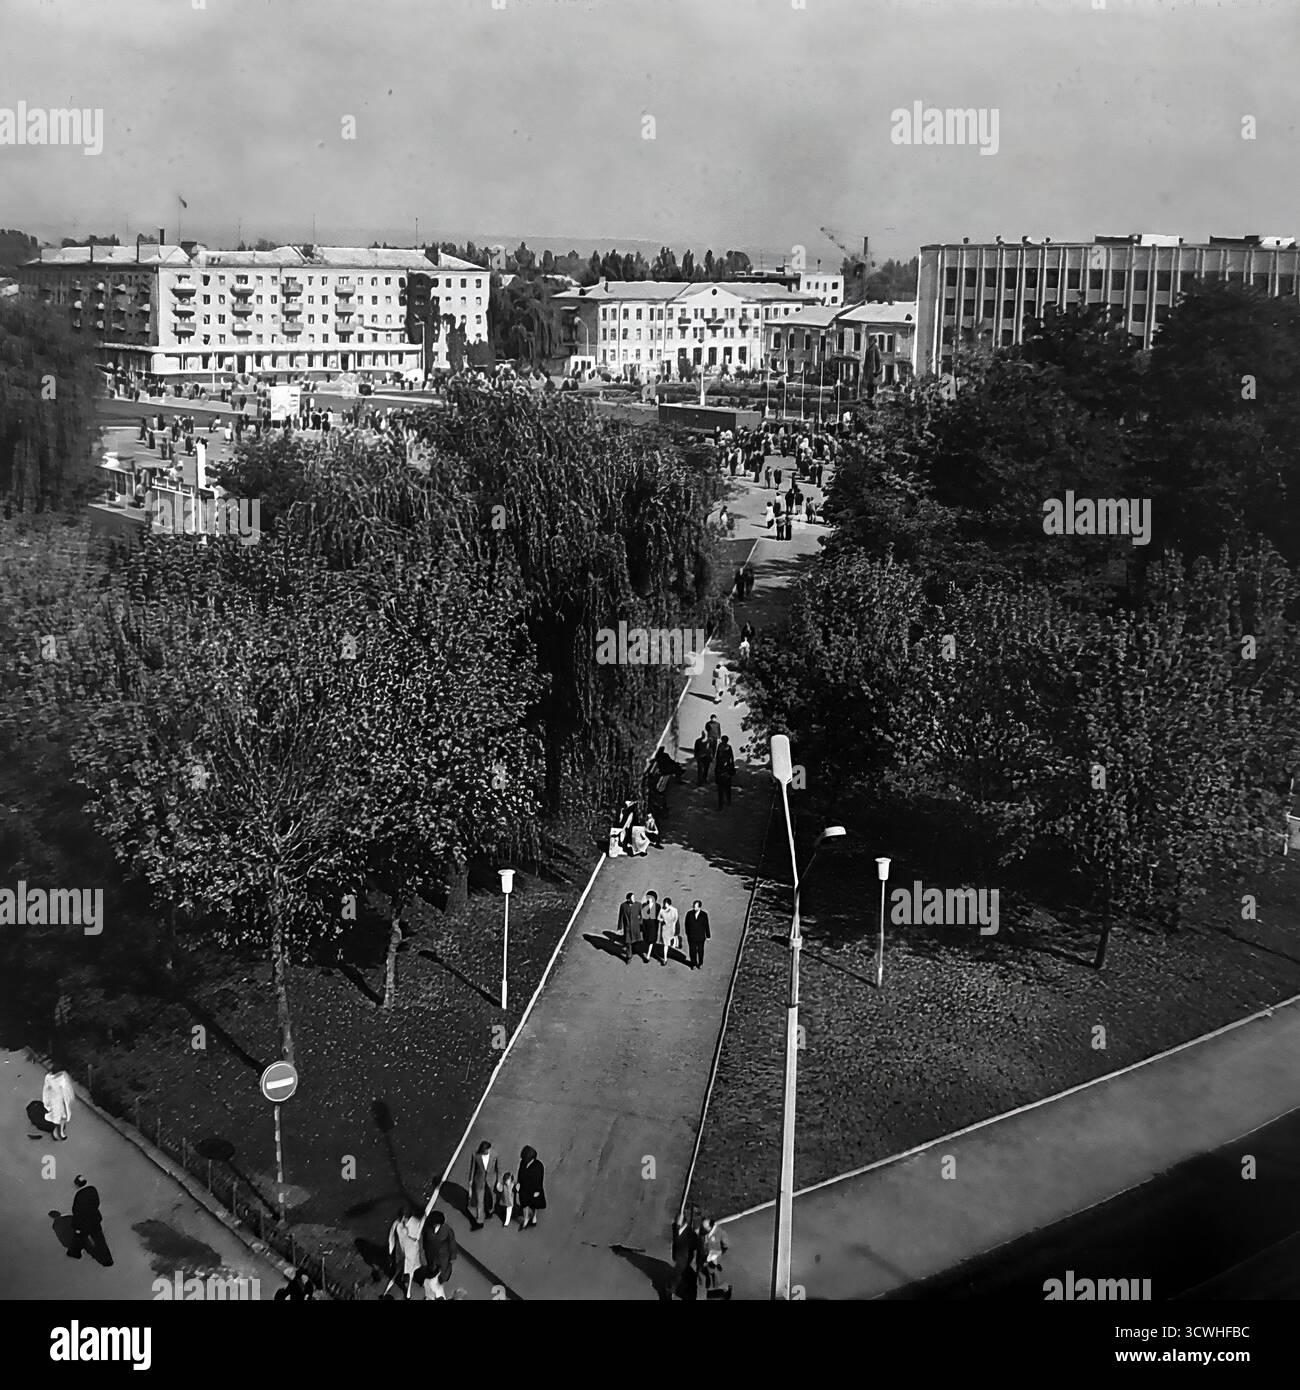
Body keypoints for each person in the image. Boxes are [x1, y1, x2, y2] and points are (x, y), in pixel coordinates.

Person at [386, 1207, 424, 1298]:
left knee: (410, 1271)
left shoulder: (415, 1223)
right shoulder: (396, 1224)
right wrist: (390, 1251)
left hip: (411, 1252)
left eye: (404, 1218)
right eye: (401, 1218)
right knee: (401, 1266)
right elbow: (391, 1238)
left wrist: (409, 1234)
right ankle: (399, 1280)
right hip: (402, 1250)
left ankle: (408, 1292)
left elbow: (417, 1238)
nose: (402, 1220)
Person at [67, 1175, 106, 1262]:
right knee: (99, 1238)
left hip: (83, 1222)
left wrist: (76, 1225)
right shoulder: (92, 1189)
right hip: (95, 1219)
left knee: (79, 1237)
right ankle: (107, 1259)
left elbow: (76, 1211)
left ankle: (74, 1252)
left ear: (77, 1185)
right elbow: (97, 1203)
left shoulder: (79, 1195)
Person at [420, 1210, 458, 1299]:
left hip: (443, 1257)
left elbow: (452, 1243)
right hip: (431, 1255)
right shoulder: (427, 1228)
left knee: (443, 1272)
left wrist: (452, 1257)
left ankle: (441, 1281)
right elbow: (425, 1240)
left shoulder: (447, 1230)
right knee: (432, 1270)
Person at [466, 1140, 499, 1229]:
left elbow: (498, 1168)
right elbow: (472, 1168)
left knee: (490, 1197)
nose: (487, 1152)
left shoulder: (494, 1155)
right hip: (479, 1181)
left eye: (487, 1150)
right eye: (485, 1151)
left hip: (491, 1180)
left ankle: (490, 1210)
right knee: (479, 1200)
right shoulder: (476, 1156)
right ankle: (480, 1220)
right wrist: (471, 1180)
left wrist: (498, 1181)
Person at [697, 1217, 731, 1298]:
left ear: (710, 1227)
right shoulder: (704, 1232)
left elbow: (725, 1246)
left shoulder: (721, 1232)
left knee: (716, 1280)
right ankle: (702, 1292)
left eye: (704, 1228)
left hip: (713, 1260)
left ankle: (726, 1288)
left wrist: (717, 1254)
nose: (702, 1229)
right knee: (702, 1276)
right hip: (704, 1258)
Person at [516, 1146, 546, 1229]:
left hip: (534, 1188)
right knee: (524, 1204)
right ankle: (526, 1218)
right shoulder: (523, 1162)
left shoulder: (539, 1165)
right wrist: (518, 1183)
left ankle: (534, 1217)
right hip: (524, 1187)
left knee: (534, 1204)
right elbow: (520, 1173)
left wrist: (537, 1190)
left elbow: (540, 1179)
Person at [43, 1069, 74, 1140]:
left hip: (62, 1100)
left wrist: (69, 1096)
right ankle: (58, 1132)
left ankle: (60, 1131)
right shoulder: (49, 1078)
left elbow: (67, 1087)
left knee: (63, 1117)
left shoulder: (63, 1076)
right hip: (55, 1101)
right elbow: (46, 1091)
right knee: (58, 1117)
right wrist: (47, 1103)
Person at [684, 900, 711, 970]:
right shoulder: (689, 914)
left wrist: (708, 935)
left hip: (700, 937)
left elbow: (706, 925)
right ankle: (693, 963)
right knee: (692, 951)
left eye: (695, 906)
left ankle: (700, 963)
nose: (694, 908)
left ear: (699, 907)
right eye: (693, 906)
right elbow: (686, 924)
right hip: (691, 936)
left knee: (700, 950)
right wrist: (688, 933)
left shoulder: (704, 915)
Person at [714, 735, 736, 809]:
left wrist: (731, 768)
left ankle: (726, 801)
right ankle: (723, 802)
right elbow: (718, 758)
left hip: (725, 769)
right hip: (723, 769)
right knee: (723, 787)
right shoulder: (722, 747)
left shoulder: (725, 747)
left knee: (726, 787)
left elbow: (731, 758)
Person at [657, 896, 679, 966]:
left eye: (666, 904)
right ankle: (665, 959)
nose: (664, 905)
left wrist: (673, 925)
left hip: (671, 929)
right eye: (664, 903)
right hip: (665, 930)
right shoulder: (661, 910)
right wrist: (662, 920)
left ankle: (673, 947)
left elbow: (676, 919)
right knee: (666, 945)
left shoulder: (674, 910)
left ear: (669, 904)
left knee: (671, 943)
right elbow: (658, 918)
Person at [618, 891, 638, 963]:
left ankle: (634, 948)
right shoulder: (623, 906)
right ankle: (629, 956)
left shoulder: (637, 905)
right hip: (627, 928)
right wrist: (620, 927)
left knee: (635, 939)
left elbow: (641, 914)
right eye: (632, 898)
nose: (634, 899)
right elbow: (621, 916)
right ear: (628, 899)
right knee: (628, 942)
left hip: (635, 927)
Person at [639, 890, 660, 961]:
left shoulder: (657, 906)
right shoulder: (644, 905)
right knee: (647, 939)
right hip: (646, 926)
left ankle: (648, 956)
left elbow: (658, 916)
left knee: (652, 940)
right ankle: (652, 951)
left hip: (653, 926)